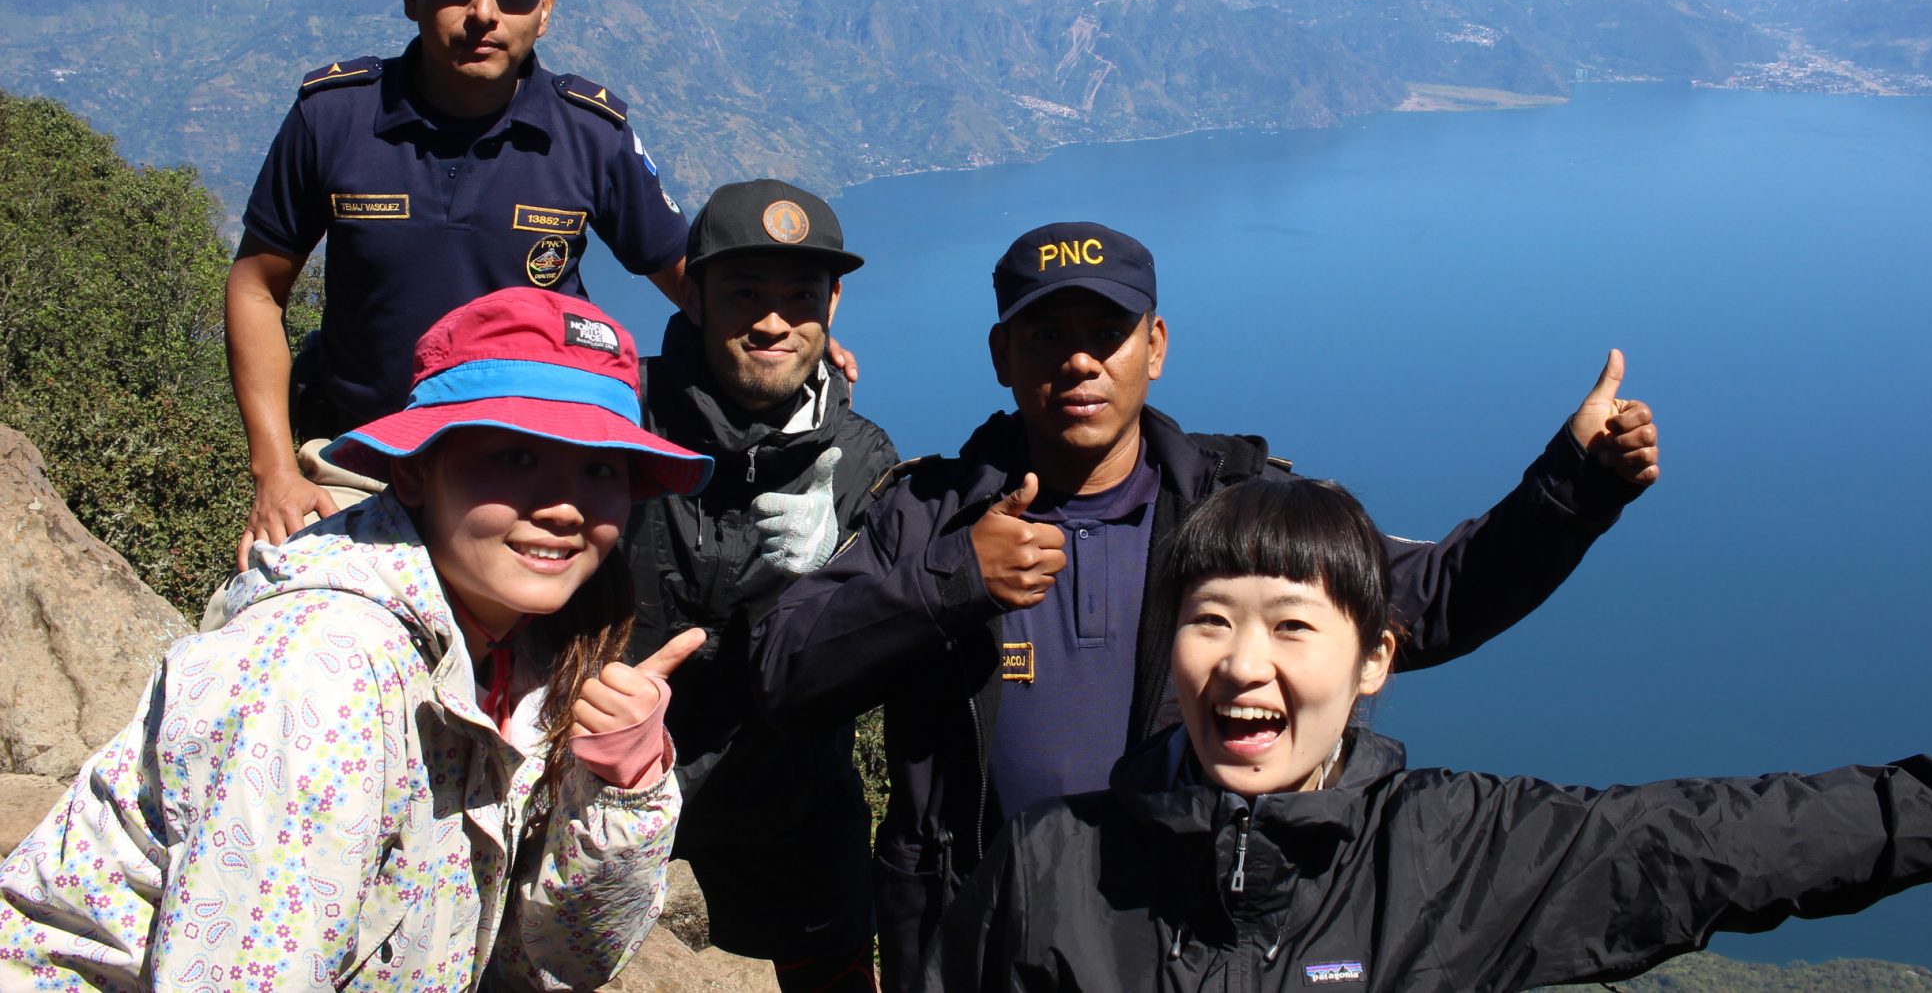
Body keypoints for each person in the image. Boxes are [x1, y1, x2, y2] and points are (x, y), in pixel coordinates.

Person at [752, 220, 1662, 989]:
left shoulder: (1234, 507)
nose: (1076, 359)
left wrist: (1570, 491)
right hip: (982, 943)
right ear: (1001, 356)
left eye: (1104, 331)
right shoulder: (932, 515)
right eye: (1043, 333)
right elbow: (784, 672)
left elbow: (1427, 601)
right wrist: (951, 582)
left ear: (1154, 345)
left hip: (1175, 937)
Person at [933, 476, 1932, 991]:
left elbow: (1741, 843)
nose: (1240, 665)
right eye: (1207, 622)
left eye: (1290, 627)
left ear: (1374, 661)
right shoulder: (1051, 865)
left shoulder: (1457, 856)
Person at [1, 287, 714, 990]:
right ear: (412, 470)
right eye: (515, 457)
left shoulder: (518, 661)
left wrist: (620, 787)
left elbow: (559, 962)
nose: (563, 507)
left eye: (598, 468)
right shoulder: (324, 670)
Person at [226, 0, 694, 563]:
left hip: (539, 481)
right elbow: (257, 287)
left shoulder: (590, 134)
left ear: (545, 8)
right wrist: (275, 472)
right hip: (366, 468)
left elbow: (690, 279)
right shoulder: (333, 118)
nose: (484, 11)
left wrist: (797, 336)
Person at [622, 179, 895, 992]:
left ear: (832, 305)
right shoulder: (618, 422)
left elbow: (886, 652)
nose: (773, 320)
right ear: (696, 295)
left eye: (799, 296)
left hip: (791, 799)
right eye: (745, 292)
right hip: (619, 786)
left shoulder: (861, 458)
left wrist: (839, 577)